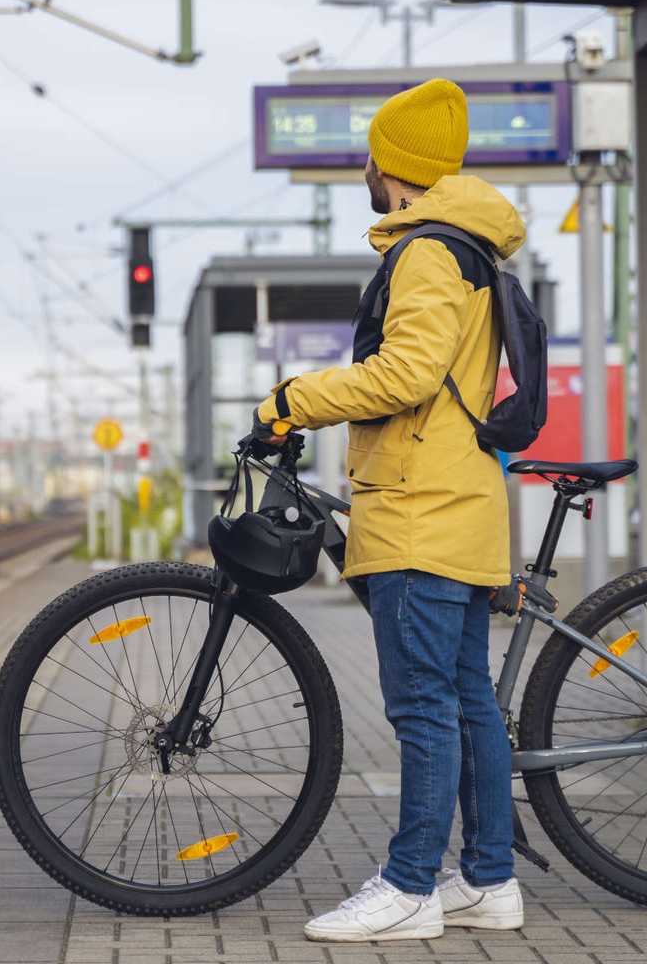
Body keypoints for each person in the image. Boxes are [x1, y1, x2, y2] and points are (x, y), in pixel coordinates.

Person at [253, 78, 526, 943]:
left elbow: (405, 375)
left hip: (419, 507)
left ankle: (410, 887)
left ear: (392, 168)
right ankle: (489, 881)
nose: (364, 170)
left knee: (422, 708)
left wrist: (293, 399)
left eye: (371, 157)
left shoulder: (425, 253)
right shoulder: (469, 248)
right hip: (457, 498)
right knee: (465, 699)